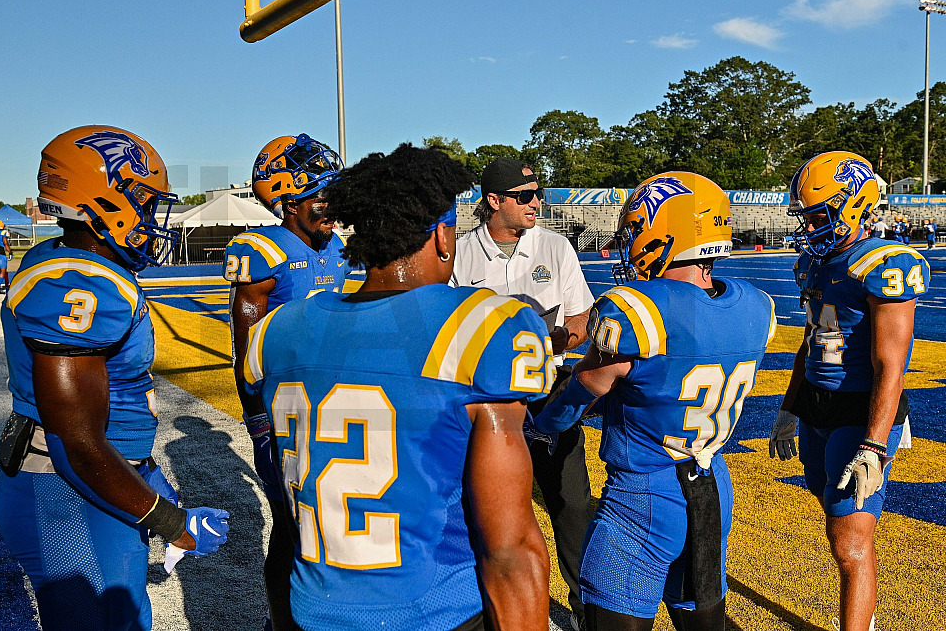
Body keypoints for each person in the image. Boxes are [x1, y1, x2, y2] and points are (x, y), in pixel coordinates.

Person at [242, 144, 552, 630]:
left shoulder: (276, 332)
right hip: (434, 612)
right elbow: (510, 547)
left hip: (310, 610)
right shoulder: (482, 327)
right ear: (444, 237)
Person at [0, 126, 230, 631]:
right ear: (103, 201)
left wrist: (144, 472)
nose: (152, 217)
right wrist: (171, 523)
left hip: (89, 484)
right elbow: (75, 438)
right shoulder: (77, 283)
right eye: (144, 201)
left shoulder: (72, 264)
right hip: (66, 492)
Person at [533, 172, 776, 631]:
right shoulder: (756, 305)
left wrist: (543, 425)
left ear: (664, 233)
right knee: (702, 620)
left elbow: (585, 389)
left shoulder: (638, 309)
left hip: (642, 494)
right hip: (711, 486)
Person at [770, 152, 930, 631]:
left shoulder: (884, 265)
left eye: (820, 214)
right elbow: (811, 341)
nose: (811, 225)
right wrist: (788, 409)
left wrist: (876, 444)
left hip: (862, 411)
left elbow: (890, 364)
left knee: (850, 543)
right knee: (835, 518)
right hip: (818, 405)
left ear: (856, 205)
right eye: (807, 215)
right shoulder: (815, 265)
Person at [450, 157, 593, 625]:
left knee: (570, 504)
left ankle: (585, 606)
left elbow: (580, 318)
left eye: (538, 194)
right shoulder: (461, 251)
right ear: (493, 201)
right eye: (524, 196)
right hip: (481, 402)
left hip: (547, 391)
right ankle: (486, 606)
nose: (537, 204)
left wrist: (547, 341)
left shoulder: (554, 247)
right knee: (484, 511)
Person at [222, 133, 350, 623]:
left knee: (330, 520)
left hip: (332, 400)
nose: (331, 205)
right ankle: (285, 620)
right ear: (287, 200)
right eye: (321, 194)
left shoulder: (336, 246)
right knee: (290, 523)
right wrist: (256, 418)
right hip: (281, 407)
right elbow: (246, 346)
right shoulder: (260, 250)